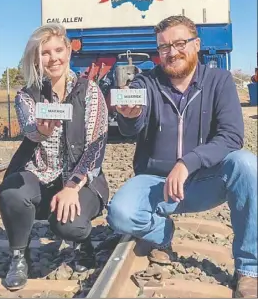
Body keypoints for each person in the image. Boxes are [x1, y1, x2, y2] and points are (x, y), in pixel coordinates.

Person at [107, 15, 257, 298]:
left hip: (204, 181)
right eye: (164, 47)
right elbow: (132, 125)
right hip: (156, 182)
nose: (172, 52)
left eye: (179, 43)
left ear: (196, 44)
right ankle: (162, 232)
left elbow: (231, 136)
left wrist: (188, 162)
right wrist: (130, 113)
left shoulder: (220, 81)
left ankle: (249, 269)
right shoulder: (146, 83)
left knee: (247, 164)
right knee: (120, 214)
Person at [0, 23, 109, 291]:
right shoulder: (27, 95)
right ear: (36, 58)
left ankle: (83, 242)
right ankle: (19, 257)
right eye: (45, 53)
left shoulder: (89, 91)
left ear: (69, 52)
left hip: (80, 182)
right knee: (12, 191)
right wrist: (41, 132)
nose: (53, 58)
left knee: (68, 226)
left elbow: (96, 146)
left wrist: (72, 186)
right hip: (40, 174)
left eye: (58, 50)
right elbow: (30, 129)